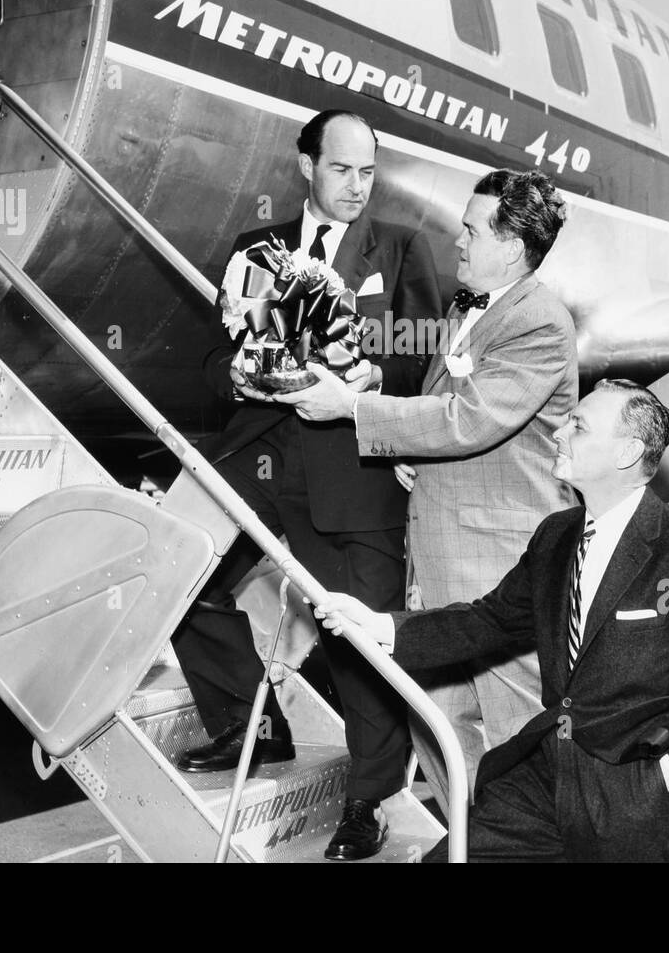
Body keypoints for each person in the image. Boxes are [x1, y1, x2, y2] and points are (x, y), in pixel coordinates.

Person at [314, 381, 669, 862]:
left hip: (641, 796)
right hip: (547, 773)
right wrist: (380, 626)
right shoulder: (556, 536)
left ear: (628, 452)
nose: (559, 432)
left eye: (578, 425)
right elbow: (490, 621)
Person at [170, 109, 441, 861]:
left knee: (359, 640)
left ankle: (368, 800)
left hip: (354, 470)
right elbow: (212, 360)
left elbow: (427, 362)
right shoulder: (257, 252)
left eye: (368, 172)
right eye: (342, 169)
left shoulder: (401, 248)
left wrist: (375, 374)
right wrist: (228, 372)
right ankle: (248, 726)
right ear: (304, 166)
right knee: (182, 573)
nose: (357, 186)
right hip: (260, 451)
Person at [279, 168, 578, 804]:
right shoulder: (467, 307)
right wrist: (408, 451)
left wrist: (353, 412)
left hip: (501, 569)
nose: (459, 242)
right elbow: (448, 409)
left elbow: (470, 419)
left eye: (472, 230)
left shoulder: (540, 322)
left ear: (512, 247)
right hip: (440, 566)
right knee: (441, 730)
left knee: (516, 740)